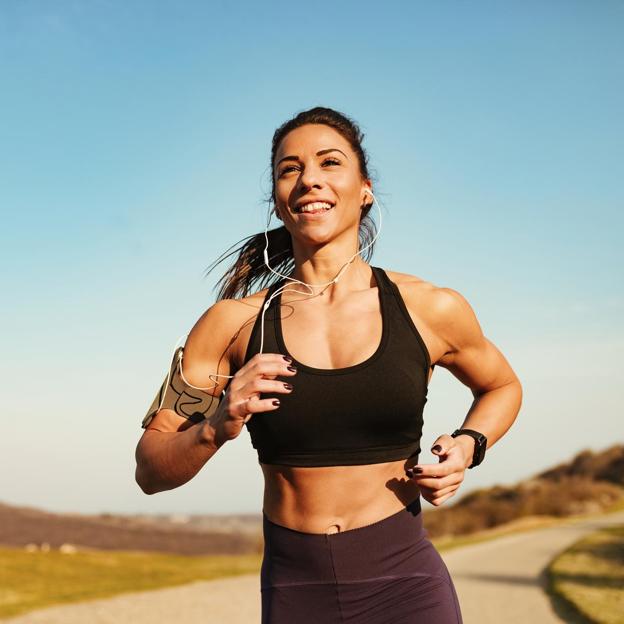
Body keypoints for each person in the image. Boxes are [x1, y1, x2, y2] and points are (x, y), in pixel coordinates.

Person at [135, 106, 523, 623]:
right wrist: (216, 424)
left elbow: (502, 386)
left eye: (329, 162)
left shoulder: (431, 307)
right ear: (277, 200)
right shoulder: (229, 324)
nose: (309, 179)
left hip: (406, 582)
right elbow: (150, 470)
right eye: (288, 168)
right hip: (296, 589)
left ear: (365, 189)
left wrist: (469, 445)